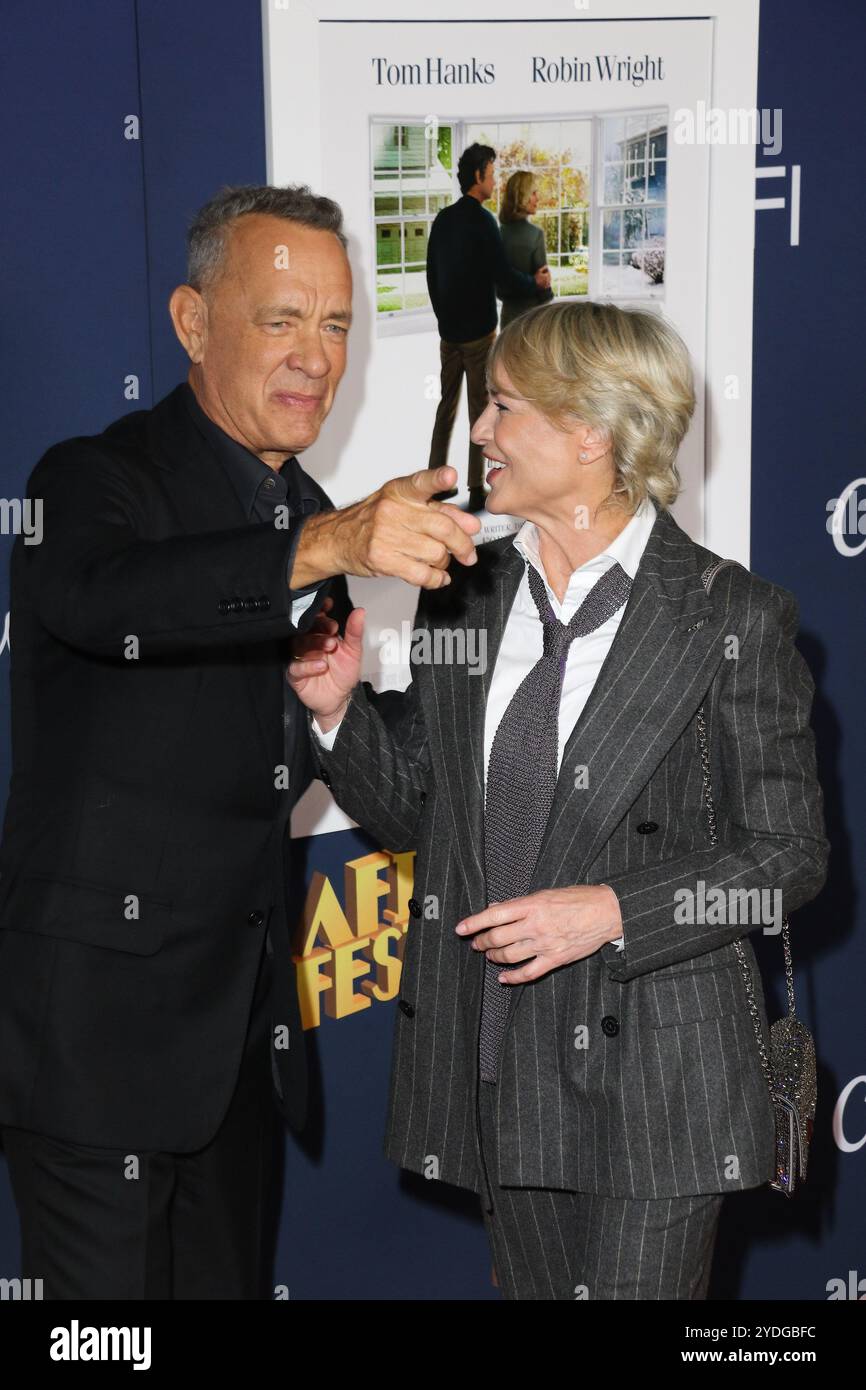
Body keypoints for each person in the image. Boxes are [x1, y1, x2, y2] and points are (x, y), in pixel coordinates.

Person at [288, 299, 829, 1301]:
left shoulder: (730, 615)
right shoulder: (464, 589)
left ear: (590, 430)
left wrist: (613, 911)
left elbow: (786, 855)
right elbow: (419, 815)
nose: (479, 431)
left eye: (501, 405)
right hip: (503, 1058)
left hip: (658, 1077)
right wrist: (336, 712)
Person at [0, 183, 480, 1300]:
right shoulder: (95, 478)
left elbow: (405, 808)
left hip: (237, 1065)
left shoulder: (305, 514)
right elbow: (105, 600)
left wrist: (333, 706)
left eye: (336, 324)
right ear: (191, 321)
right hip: (92, 1056)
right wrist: (321, 547)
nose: (315, 357)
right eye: (280, 319)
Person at [426, 143, 550, 513]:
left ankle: (435, 480)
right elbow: (503, 278)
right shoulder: (483, 222)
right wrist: (536, 285)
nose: (495, 181)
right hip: (479, 334)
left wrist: (443, 319)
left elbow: (431, 276)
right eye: (492, 174)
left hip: (449, 334)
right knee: (480, 410)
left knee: (445, 407)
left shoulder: (443, 220)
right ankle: (477, 488)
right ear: (478, 175)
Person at [498, 170, 554, 330]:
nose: (538, 198)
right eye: (533, 193)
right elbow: (544, 289)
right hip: (533, 319)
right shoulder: (535, 234)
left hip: (507, 318)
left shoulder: (498, 234)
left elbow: (498, 286)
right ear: (522, 197)